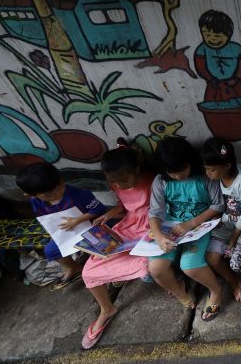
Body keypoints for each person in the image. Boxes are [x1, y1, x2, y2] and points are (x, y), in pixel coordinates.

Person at [81, 147, 152, 349]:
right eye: (114, 182)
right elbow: (123, 205)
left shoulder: (154, 181)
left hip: (150, 227)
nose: (119, 185)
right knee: (89, 271)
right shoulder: (118, 183)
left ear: (136, 170)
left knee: (147, 265)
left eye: (124, 180)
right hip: (128, 228)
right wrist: (109, 215)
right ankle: (107, 309)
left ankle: (127, 274)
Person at [148, 138, 225, 321]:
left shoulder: (205, 177)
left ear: (191, 162)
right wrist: (159, 236)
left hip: (199, 226)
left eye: (181, 170)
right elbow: (155, 212)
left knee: (190, 266)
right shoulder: (160, 181)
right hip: (170, 228)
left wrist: (191, 224)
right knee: (156, 268)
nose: (177, 176)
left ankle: (215, 290)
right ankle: (180, 291)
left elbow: (218, 205)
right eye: (171, 173)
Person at [16, 163, 105, 291]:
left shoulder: (78, 194)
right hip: (67, 232)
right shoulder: (36, 203)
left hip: (90, 227)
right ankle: (73, 267)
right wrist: (55, 233)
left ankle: (105, 271)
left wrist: (77, 221)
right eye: (48, 194)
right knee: (50, 251)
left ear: (61, 179)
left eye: (60, 186)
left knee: (101, 246)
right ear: (31, 195)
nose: (57, 193)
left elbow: (99, 209)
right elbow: (46, 220)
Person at [201, 137, 241, 302]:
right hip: (229, 222)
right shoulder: (218, 178)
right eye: (206, 169)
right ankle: (233, 280)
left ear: (227, 165)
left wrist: (233, 238)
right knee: (211, 257)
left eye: (211, 170)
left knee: (236, 262)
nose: (207, 173)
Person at [194, 9, 241, 102]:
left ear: (228, 34)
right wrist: (211, 79)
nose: (212, 39)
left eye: (217, 36)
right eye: (207, 35)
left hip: (235, 86)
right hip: (214, 87)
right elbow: (201, 67)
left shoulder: (236, 49)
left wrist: (236, 79)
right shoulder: (202, 49)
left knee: (240, 107)